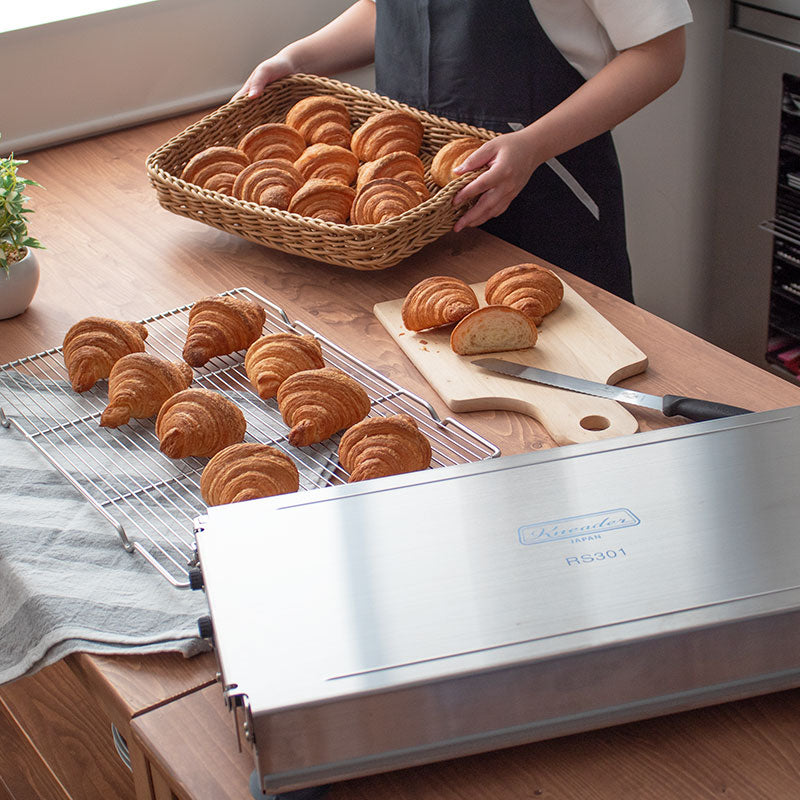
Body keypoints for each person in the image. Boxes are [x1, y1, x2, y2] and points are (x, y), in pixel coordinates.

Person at [234, 1, 693, 302]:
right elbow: (386, 10)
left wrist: (533, 145)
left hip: (548, 198)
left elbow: (659, 54)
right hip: (405, 204)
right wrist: (295, 59)